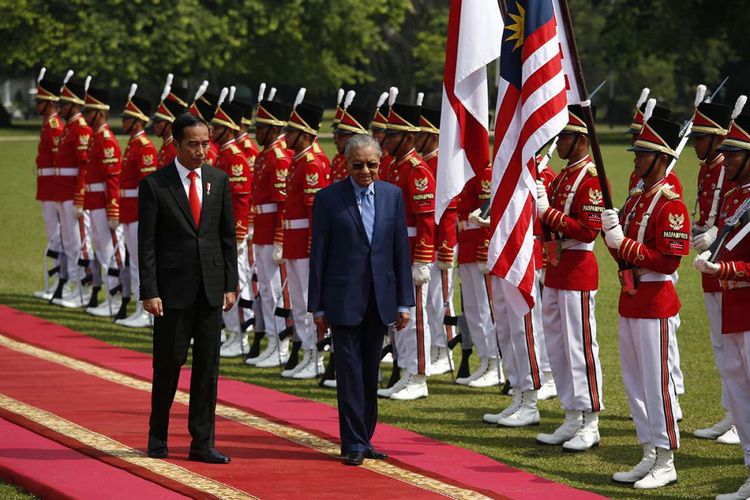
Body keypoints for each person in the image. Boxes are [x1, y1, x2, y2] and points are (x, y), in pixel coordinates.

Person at [308, 133, 414, 466]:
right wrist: (318, 307)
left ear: (380, 164)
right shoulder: (328, 199)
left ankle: (365, 438)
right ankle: (352, 441)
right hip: (342, 300)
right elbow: (318, 256)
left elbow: (400, 250)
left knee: (370, 373)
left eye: (372, 165)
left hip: (380, 298)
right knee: (349, 373)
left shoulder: (392, 195)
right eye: (358, 165)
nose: (365, 171)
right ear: (346, 164)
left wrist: (403, 303)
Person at [139, 112, 238, 464]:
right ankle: (157, 435)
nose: (201, 151)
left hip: (211, 290)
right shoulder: (155, 185)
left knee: (208, 369)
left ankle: (202, 442)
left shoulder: (218, 180)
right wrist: (149, 291)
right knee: (168, 366)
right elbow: (146, 243)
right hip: (171, 292)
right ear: (176, 144)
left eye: (205, 143)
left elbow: (227, 237)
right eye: (193, 144)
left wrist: (230, 284)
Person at [602, 114, 689, 489]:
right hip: (631, 297)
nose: (635, 159)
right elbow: (623, 253)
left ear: (660, 159)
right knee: (635, 383)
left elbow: (670, 260)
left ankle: (666, 457)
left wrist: (625, 245)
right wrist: (611, 238)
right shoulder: (637, 199)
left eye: (642, 154)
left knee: (657, 384)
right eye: (636, 153)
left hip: (655, 299)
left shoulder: (671, 205)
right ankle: (648, 451)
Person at [535, 105, 605, 452]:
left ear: (580, 139)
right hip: (556, 265)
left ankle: (590, 419)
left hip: (577, 266)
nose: (558, 143)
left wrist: (548, 212)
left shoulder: (591, 179)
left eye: (563, 136)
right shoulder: (562, 176)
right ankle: (571, 413)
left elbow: (589, 231)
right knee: (558, 345)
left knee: (579, 346)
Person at [694, 105, 750, 500]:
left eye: (733, 153)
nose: (725, 159)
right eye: (725, 151)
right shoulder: (733, 196)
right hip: (733, 306)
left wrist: (724, 268)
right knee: (739, 388)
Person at [689, 100, 740, 444]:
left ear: (716, 138)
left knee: (735, 347)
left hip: (728, 261)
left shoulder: (730, 165)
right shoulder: (708, 168)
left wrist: (714, 232)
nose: (694, 143)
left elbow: (738, 210)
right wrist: (699, 231)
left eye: (700, 137)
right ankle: (731, 411)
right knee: (719, 344)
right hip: (710, 262)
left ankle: (740, 417)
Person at [378, 103, 435, 400]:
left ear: (408, 137)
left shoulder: (418, 171)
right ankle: (405, 370)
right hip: (391, 250)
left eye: (392, 134)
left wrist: (422, 259)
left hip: (411, 250)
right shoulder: (389, 166)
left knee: (415, 317)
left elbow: (426, 220)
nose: (385, 139)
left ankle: (419, 377)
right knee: (395, 317)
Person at [278, 101, 330, 378]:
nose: (286, 135)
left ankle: (316, 355)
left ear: (306, 135)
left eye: (292, 130)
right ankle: (308, 352)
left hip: (305, 243)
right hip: (293, 240)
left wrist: (314, 246)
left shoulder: (311, 164)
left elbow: (315, 212)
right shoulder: (298, 162)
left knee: (310, 304)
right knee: (298, 303)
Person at [246, 98, 294, 367]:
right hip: (261, 230)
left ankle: (282, 342)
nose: (257, 132)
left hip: (271, 231)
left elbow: (282, 205)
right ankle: (273, 340)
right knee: (265, 288)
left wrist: (279, 240)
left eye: (262, 127)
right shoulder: (265, 156)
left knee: (276, 290)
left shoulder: (278, 158)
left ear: (274, 129)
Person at [211, 93, 254, 358]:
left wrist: (238, 233)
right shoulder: (223, 154)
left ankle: (240, 335)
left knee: (235, 281)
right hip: (221, 228)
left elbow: (240, 199)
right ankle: (232, 332)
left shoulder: (235, 157)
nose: (212, 131)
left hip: (232, 230)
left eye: (217, 127)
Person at [81, 79, 127, 318]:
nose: (85, 115)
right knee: (100, 249)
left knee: (110, 251)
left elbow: (112, 179)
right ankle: (111, 295)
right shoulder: (95, 137)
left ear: (99, 113)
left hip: (103, 203)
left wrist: (113, 209)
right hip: (94, 201)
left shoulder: (106, 140)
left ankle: (117, 296)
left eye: (89, 111)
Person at [115, 84, 158, 328]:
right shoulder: (133, 144)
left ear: (139, 122)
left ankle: (147, 311)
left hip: (139, 211)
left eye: (128, 118)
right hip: (129, 209)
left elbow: (147, 186)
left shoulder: (144, 148)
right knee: (134, 260)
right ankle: (138, 307)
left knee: (142, 263)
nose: (124, 122)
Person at [49, 71, 93, 308]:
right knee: (69, 243)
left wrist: (79, 197)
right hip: (62, 193)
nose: (60, 108)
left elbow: (83, 166)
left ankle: (85, 289)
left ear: (74, 106)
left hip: (72, 194)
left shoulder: (81, 130)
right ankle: (76, 286)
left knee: (79, 243)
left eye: (64, 104)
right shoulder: (69, 128)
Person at [32, 67, 66, 301]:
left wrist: (55, 193)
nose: (37, 105)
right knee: (53, 237)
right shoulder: (48, 126)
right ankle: (56, 281)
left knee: (58, 237)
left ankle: (60, 282)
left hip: (55, 189)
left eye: (40, 101)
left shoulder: (55, 127)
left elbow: (59, 163)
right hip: (47, 187)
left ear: (49, 103)